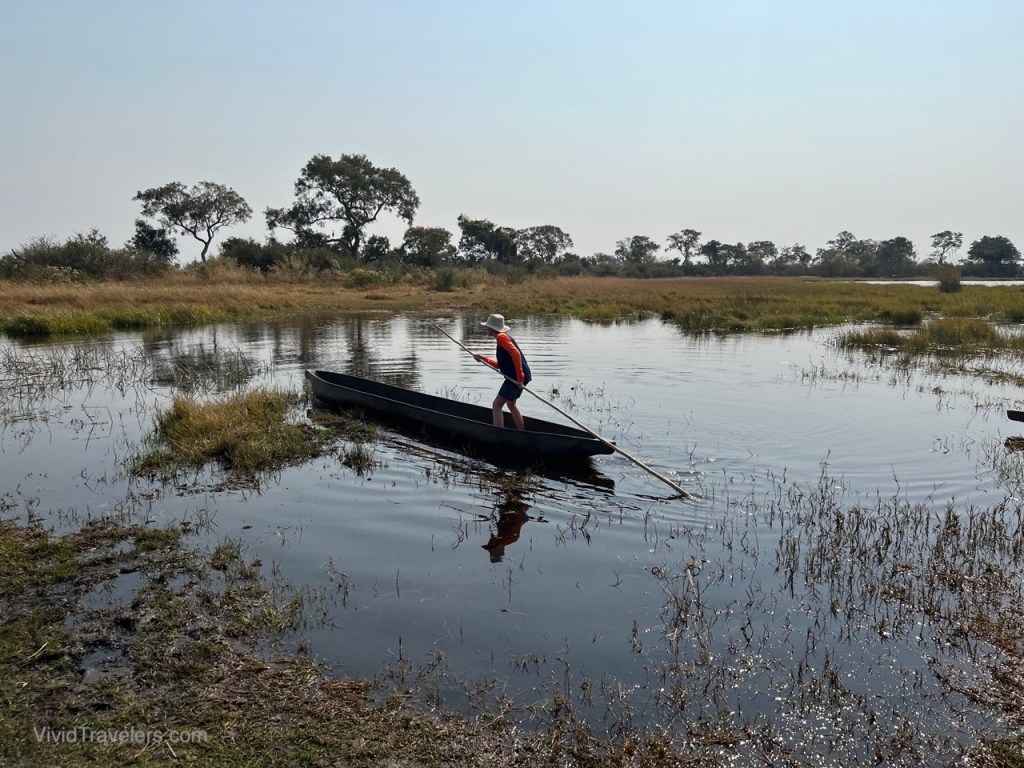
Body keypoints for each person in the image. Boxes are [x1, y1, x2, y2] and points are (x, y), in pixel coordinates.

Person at [473, 313, 532, 430]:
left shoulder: (501, 337)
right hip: (521, 376)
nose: (486, 329)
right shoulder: (503, 338)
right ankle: (521, 432)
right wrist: (483, 359)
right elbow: (501, 365)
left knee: (496, 405)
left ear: (492, 328)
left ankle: (499, 434)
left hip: (516, 378)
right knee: (511, 404)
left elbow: (516, 354)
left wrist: (520, 377)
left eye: (487, 327)